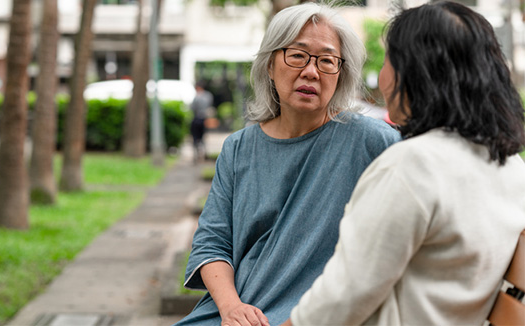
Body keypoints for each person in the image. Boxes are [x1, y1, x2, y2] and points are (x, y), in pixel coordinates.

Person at [284, 2, 525, 325]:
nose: (383, 75)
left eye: (388, 59)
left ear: (415, 73)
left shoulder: (412, 166)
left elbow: (340, 300)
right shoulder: (511, 167)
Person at [174, 3, 401, 326]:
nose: (311, 71)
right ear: (269, 64)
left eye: (326, 60)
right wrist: (231, 308)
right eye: (297, 55)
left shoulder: (373, 142)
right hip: (235, 312)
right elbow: (212, 243)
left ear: (341, 74)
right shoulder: (238, 148)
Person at [190, 80, 214, 162]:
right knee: (203, 137)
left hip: (197, 119)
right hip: (205, 119)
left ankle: (196, 155)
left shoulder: (196, 97)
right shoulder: (208, 96)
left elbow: (192, 108)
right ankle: (203, 153)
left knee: (195, 137)